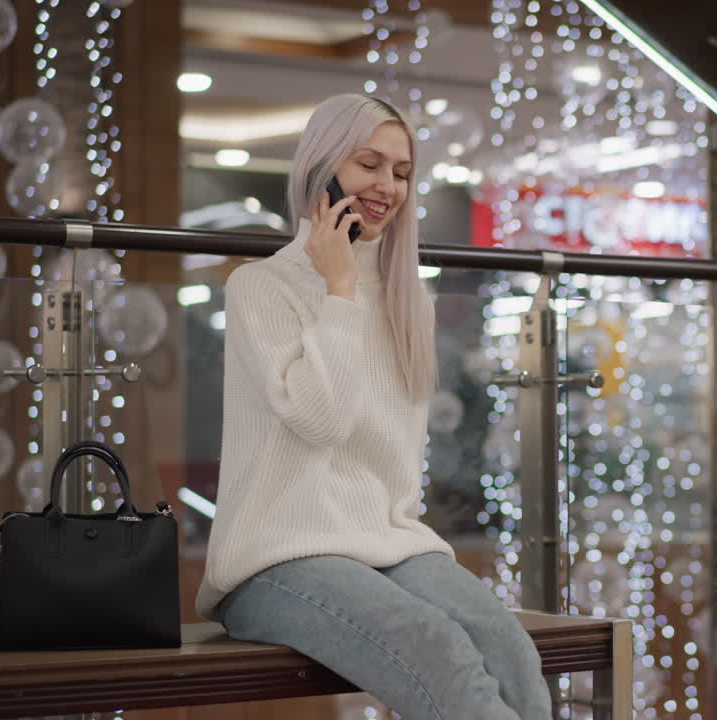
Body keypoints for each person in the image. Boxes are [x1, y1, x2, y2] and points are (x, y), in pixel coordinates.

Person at [197, 94, 551, 720]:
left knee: (510, 647)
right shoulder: (261, 286)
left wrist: (352, 290)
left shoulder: (407, 299)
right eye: (369, 164)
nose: (387, 185)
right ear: (324, 166)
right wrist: (338, 290)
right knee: (437, 646)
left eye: (402, 172)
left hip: (390, 546)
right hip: (274, 560)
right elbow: (321, 420)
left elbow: (392, 462)